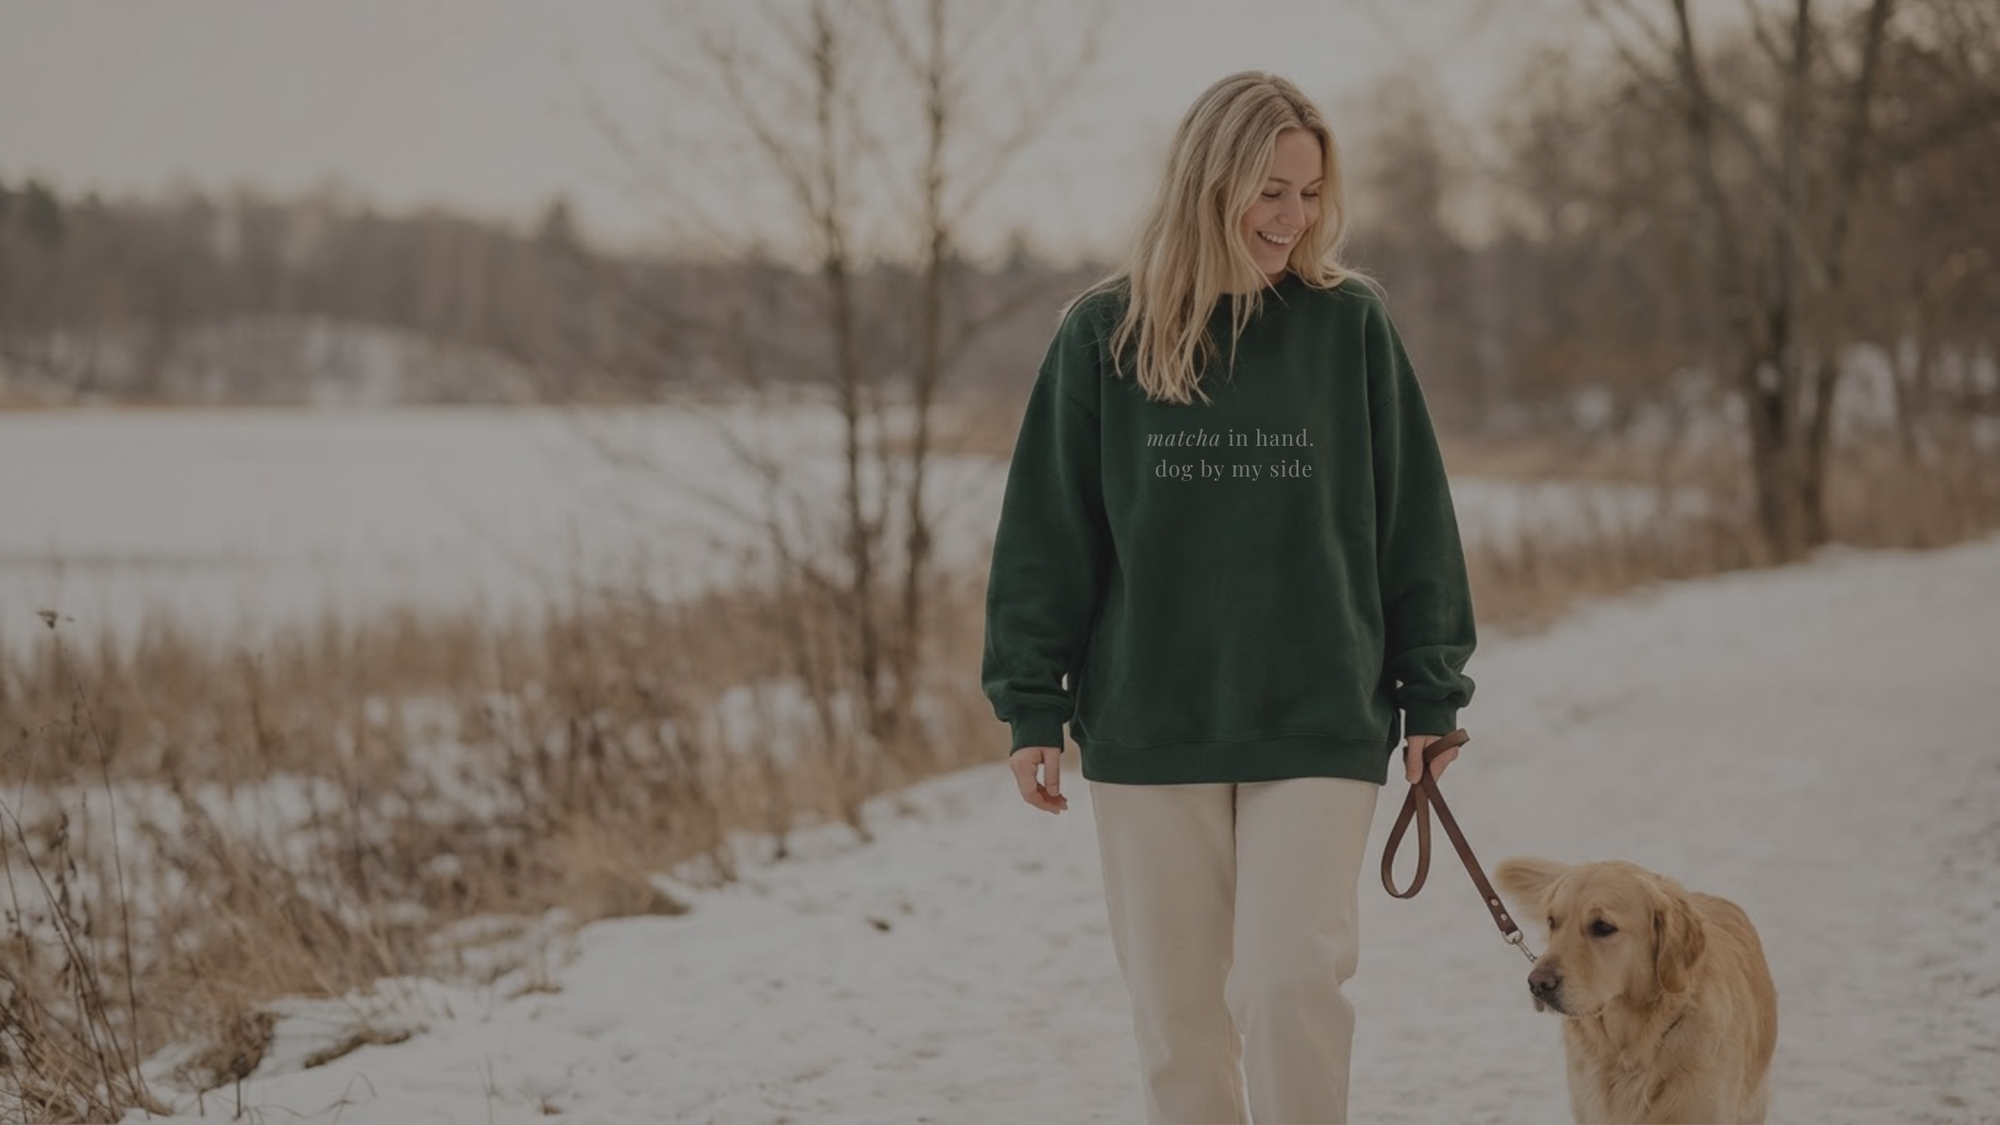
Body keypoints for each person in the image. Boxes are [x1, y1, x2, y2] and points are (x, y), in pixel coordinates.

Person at [979, 71, 1477, 1125]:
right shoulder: (1102, 335)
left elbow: (1413, 525)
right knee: (1178, 1023)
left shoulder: (1349, 327)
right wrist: (1031, 702)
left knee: (1284, 983)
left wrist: (1430, 696)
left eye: (1306, 193)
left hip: (1320, 711)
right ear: (1207, 185)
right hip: (1150, 720)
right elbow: (1044, 538)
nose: (1291, 218)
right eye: (1268, 192)